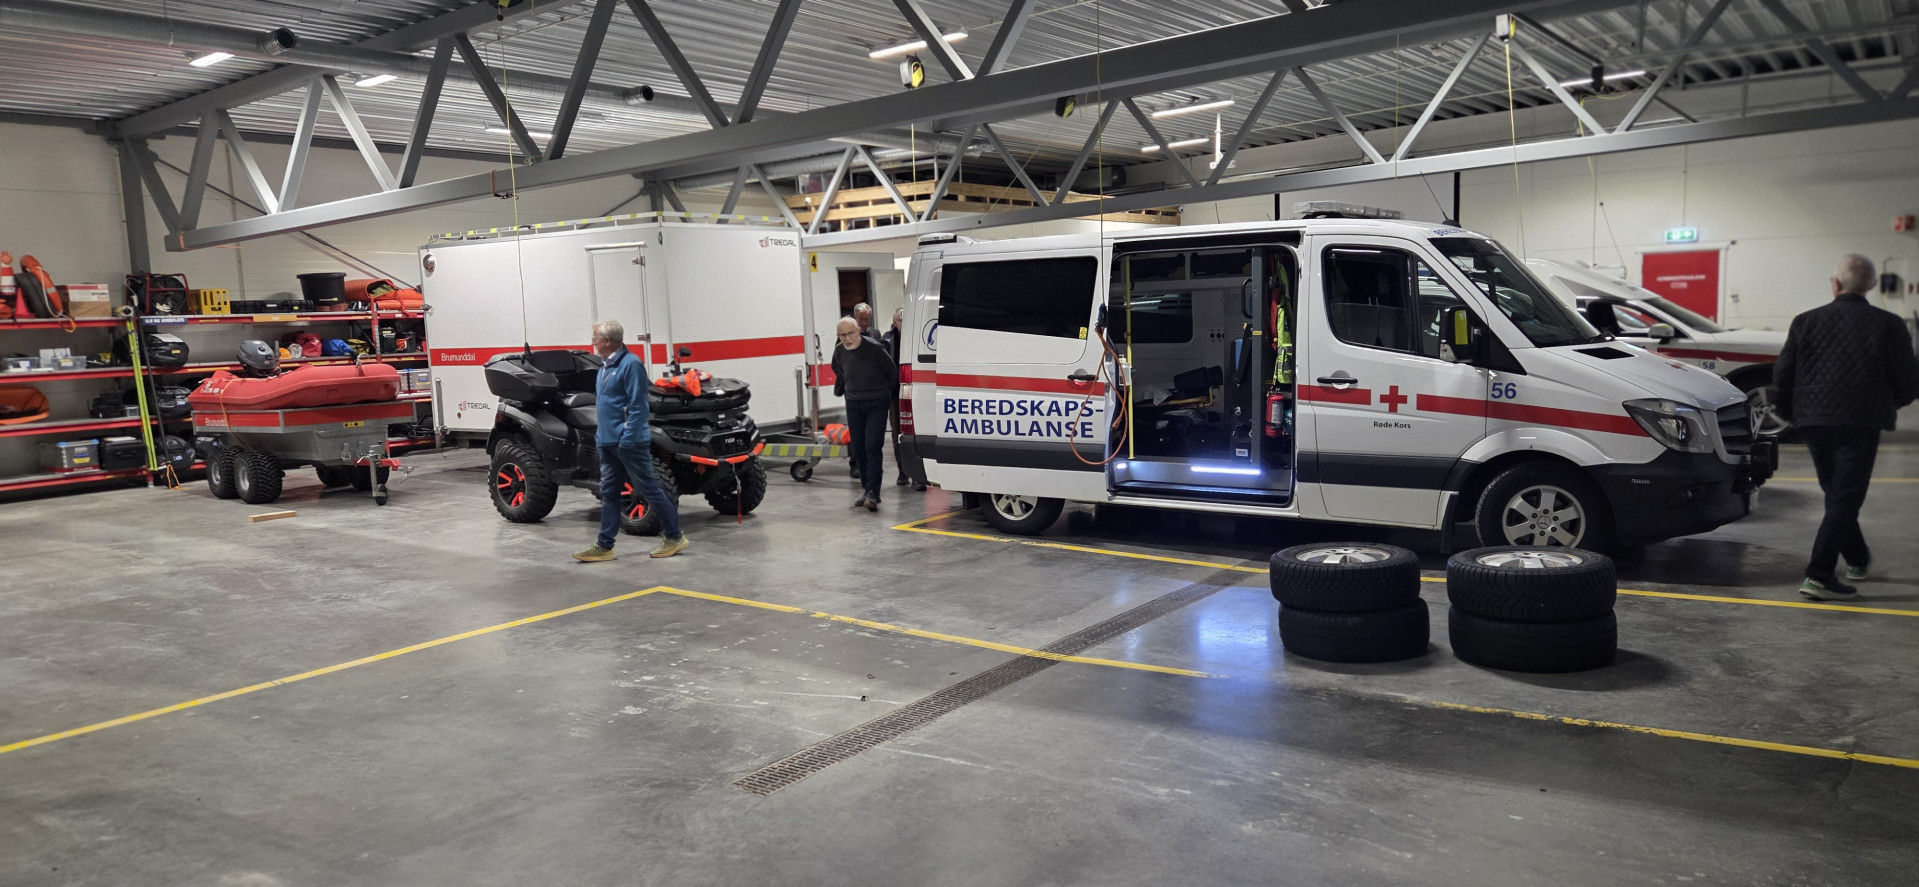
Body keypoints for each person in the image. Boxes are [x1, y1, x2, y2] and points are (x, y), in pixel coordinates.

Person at [1774, 254, 1919, 600]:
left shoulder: (1805, 321)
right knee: (1844, 498)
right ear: (1872, 285)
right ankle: (1819, 575)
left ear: (1836, 284)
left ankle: (1857, 558)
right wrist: (1886, 405)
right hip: (1861, 422)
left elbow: (1783, 373)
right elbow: (1908, 381)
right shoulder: (1889, 324)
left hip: (1814, 420)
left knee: (1838, 495)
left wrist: (1789, 414)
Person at [574, 319, 688, 563]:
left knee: (649, 489)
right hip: (607, 442)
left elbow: (638, 406)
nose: (592, 342)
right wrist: (602, 436)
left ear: (607, 341)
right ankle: (605, 546)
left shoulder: (631, 364)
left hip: (629, 443)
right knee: (609, 492)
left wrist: (627, 439)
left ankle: (675, 537)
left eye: (595, 338)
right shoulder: (604, 367)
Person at [832, 316, 894, 511]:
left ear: (858, 331)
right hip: (853, 402)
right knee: (858, 448)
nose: (847, 338)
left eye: (850, 333)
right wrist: (848, 385)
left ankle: (873, 492)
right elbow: (837, 367)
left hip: (877, 401)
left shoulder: (874, 348)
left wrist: (884, 394)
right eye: (842, 335)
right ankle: (867, 489)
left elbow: (891, 372)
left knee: (872, 446)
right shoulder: (839, 350)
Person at [881, 307, 927, 491]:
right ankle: (903, 472)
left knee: (916, 432)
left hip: (915, 391)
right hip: (895, 393)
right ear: (895, 323)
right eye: (901, 320)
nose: (904, 324)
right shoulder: (887, 340)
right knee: (897, 433)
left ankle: (918, 475)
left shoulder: (917, 338)